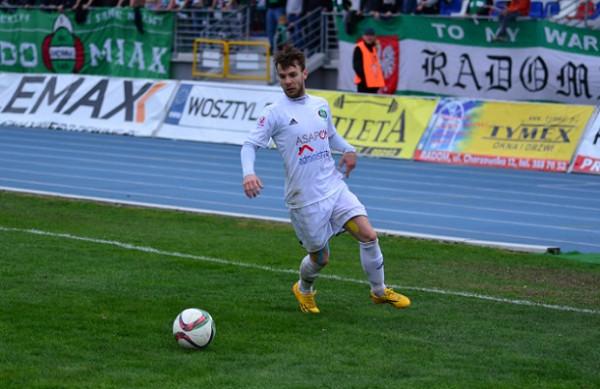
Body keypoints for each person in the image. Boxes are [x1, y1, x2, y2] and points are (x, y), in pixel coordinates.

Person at [240, 46, 410, 314]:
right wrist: (249, 173)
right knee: (321, 258)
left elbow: (329, 135)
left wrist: (349, 149)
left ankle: (379, 291)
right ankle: (303, 289)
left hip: (333, 187)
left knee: (368, 235)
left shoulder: (320, 105)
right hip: (304, 201)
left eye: (292, 75)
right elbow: (249, 145)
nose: (287, 81)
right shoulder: (274, 113)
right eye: (282, 76)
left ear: (304, 73)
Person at [352, 27, 385, 94]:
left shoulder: (374, 48)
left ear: (374, 37)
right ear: (363, 36)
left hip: (374, 84)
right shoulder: (359, 48)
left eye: (371, 35)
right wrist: (365, 80)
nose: (369, 37)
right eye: (367, 35)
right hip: (364, 84)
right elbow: (357, 67)